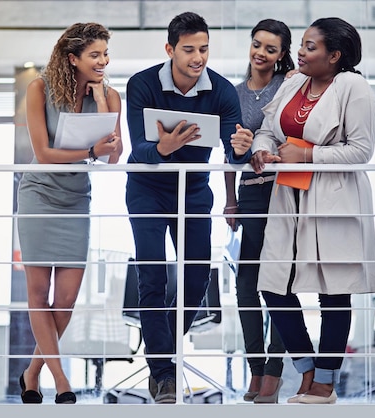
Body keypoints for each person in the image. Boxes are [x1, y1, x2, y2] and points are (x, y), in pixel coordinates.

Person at [125, 11, 254, 404]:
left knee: (198, 279)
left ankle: (159, 348)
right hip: (147, 190)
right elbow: (138, 149)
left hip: (195, 190)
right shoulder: (142, 83)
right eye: (188, 50)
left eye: (204, 48)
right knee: (152, 279)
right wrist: (162, 149)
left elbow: (233, 153)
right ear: (170, 50)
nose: (198, 57)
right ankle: (163, 373)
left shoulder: (221, 91)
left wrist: (240, 149)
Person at [250, 17, 375, 404]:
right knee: (273, 285)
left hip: (333, 196)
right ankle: (305, 368)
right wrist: (260, 148)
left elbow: (362, 150)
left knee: (335, 292)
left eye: (310, 47)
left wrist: (308, 154)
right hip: (289, 195)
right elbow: (267, 128)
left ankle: (324, 383)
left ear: (335, 56)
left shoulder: (353, 87)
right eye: (302, 46)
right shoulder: (293, 83)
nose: (301, 53)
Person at [17, 22, 122, 405]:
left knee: (65, 299)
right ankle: (60, 380)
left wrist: (104, 100)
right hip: (40, 195)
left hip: (77, 198)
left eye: (105, 54)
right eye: (95, 54)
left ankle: (31, 373)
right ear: (72, 58)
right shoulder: (39, 89)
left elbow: (115, 154)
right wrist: (90, 152)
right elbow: (43, 154)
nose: (103, 61)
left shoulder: (109, 95)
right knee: (38, 292)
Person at [222, 19, 295, 404]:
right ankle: (255, 368)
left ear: (281, 54)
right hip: (250, 194)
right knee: (246, 284)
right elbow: (229, 154)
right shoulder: (233, 95)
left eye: (270, 48)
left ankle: (274, 372)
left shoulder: (290, 86)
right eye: (257, 45)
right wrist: (229, 198)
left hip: (284, 193)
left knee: (279, 283)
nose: (261, 53)